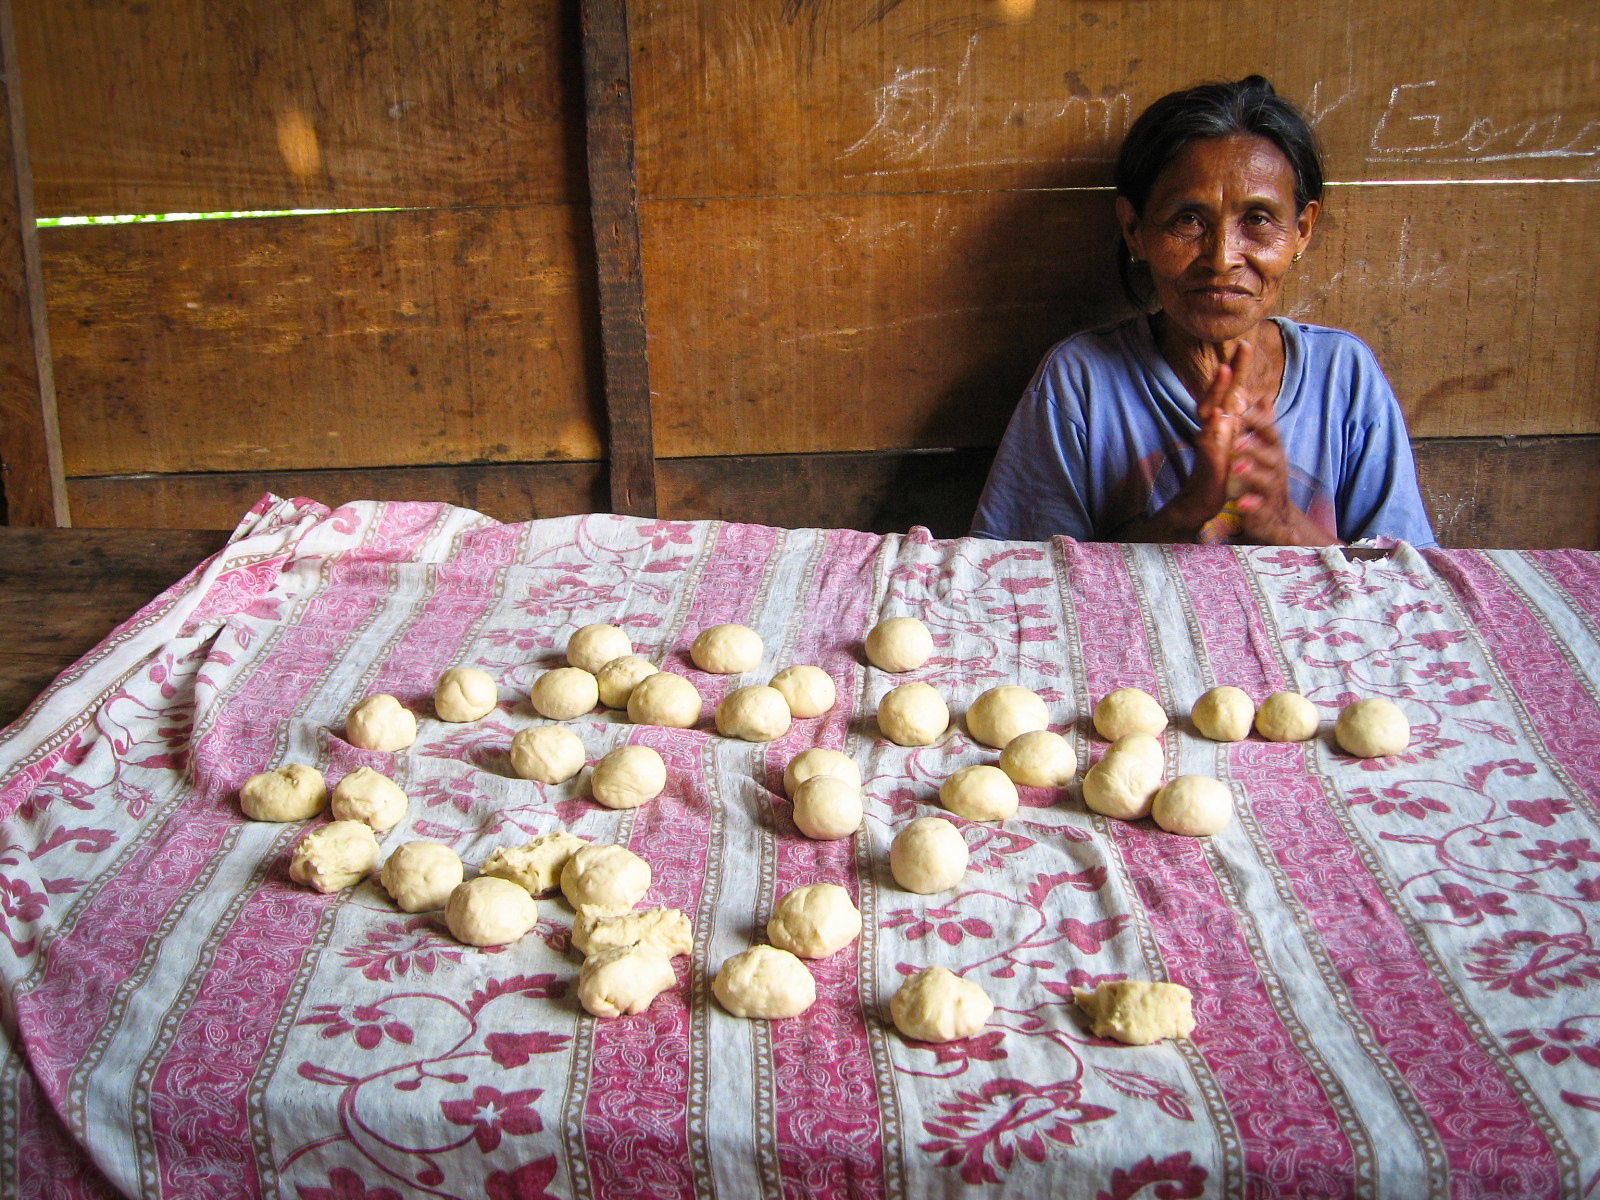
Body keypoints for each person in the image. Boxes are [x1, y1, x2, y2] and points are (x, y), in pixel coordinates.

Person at [971, 76, 1437, 548]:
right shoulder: (1080, 382)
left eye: (1257, 220)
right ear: (1135, 230)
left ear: (1301, 230)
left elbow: (1407, 588)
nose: (1222, 257)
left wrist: (1283, 523)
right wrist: (1188, 513)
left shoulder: (1344, 376)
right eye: (1188, 219)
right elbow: (1023, 584)